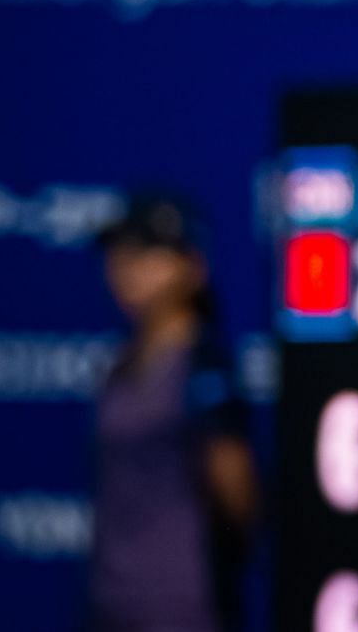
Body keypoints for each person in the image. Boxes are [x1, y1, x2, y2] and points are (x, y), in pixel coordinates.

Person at [89, 195, 259, 632]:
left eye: (147, 252)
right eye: (122, 252)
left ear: (191, 267)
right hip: (112, 605)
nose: (127, 266)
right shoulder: (119, 367)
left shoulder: (206, 369)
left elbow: (237, 495)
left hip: (184, 610)